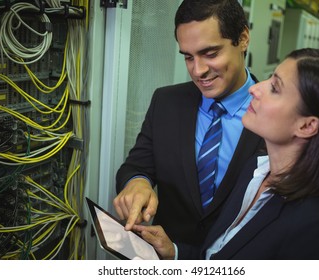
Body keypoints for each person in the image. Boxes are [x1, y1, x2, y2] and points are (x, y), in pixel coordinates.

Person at [133, 48, 319, 260]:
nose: (255, 88)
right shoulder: (257, 171)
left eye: (275, 88)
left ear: (306, 126)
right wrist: (174, 253)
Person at [113, 0, 264, 252]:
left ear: (243, 38)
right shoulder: (166, 102)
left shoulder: (274, 115)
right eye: (188, 57)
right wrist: (138, 182)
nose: (198, 70)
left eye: (211, 54)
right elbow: (137, 165)